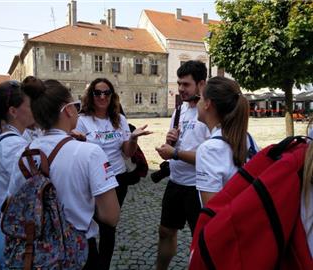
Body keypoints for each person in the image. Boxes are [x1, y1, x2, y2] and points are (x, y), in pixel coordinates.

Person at [7, 78, 120, 270]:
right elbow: (111, 216)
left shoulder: (24, 154)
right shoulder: (90, 152)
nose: (77, 109)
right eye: (76, 105)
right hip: (78, 250)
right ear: (68, 109)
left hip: (37, 252)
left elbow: (12, 202)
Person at [75, 77, 151, 270]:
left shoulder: (120, 119)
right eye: (97, 93)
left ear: (112, 96)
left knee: (109, 228)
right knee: (89, 225)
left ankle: (103, 266)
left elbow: (127, 152)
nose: (102, 96)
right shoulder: (82, 121)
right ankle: (91, 263)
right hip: (91, 181)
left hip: (116, 179)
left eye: (106, 93)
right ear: (90, 96)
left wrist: (133, 139)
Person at [154, 60, 210, 270]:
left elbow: (210, 157)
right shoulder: (179, 110)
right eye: (179, 84)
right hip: (176, 182)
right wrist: (169, 143)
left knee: (202, 238)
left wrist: (175, 153)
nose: (180, 89)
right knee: (165, 232)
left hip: (199, 187)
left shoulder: (209, 112)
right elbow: (172, 148)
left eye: (186, 84)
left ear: (201, 84)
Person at [0, 80, 35, 270]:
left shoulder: (9, 138)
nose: (33, 109)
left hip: (5, 229)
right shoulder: (14, 145)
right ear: (13, 111)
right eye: (29, 106)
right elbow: (29, 190)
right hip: (12, 236)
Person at [195, 76, 258, 206]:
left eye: (200, 98)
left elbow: (212, 211)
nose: (197, 103)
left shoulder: (209, 150)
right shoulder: (247, 138)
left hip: (229, 224)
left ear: (208, 104)